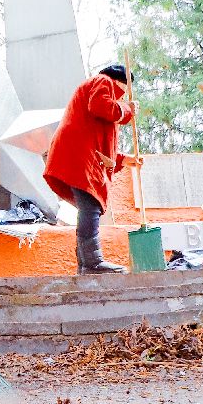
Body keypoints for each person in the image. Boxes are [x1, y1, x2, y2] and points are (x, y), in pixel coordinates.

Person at [43, 64, 139, 275]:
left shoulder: (96, 90)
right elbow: (99, 106)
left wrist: (125, 160)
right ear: (121, 82)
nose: (124, 97)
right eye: (125, 91)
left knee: (89, 205)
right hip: (79, 153)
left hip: (81, 153)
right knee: (90, 205)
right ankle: (92, 262)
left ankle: (86, 263)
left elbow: (101, 143)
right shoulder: (103, 82)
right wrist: (127, 110)